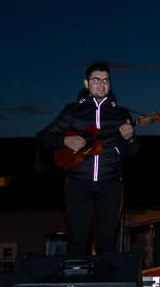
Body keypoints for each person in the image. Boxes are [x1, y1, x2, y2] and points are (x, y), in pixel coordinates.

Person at [41, 63, 139, 255]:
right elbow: (45, 137)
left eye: (106, 80)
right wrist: (65, 140)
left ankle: (107, 274)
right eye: (96, 80)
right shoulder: (72, 112)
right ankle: (74, 275)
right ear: (86, 83)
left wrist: (129, 139)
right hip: (78, 184)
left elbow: (132, 151)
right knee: (76, 242)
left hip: (110, 184)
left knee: (107, 243)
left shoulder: (121, 115)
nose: (101, 84)